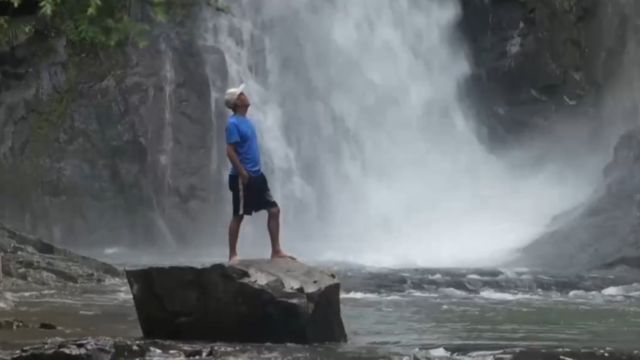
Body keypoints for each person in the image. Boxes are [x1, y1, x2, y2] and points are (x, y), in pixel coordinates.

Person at [224, 84, 293, 263]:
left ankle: (276, 250)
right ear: (237, 102)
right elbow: (229, 151)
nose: (246, 96)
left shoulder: (247, 121)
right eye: (242, 95)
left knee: (274, 210)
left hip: (257, 175)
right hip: (242, 177)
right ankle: (232, 254)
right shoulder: (232, 124)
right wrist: (242, 172)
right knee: (238, 215)